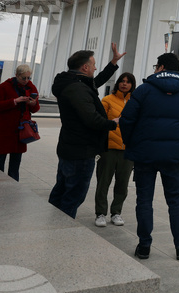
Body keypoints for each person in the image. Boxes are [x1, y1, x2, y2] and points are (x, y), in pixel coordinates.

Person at [120, 52, 179, 261]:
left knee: (144, 200)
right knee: (176, 200)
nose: (155, 69)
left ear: (162, 67)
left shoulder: (144, 90)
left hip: (144, 155)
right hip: (173, 157)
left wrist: (131, 143)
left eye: (156, 66)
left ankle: (144, 246)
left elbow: (126, 119)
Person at [48, 43, 125, 219]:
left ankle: (53, 224)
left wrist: (113, 62)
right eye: (93, 65)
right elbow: (91, 119)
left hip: (70, 146)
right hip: (80, 151)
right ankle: (61, 228)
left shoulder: (74, 83)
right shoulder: (77, 88)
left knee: (62, 189)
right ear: (85, 67)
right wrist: (112, 123)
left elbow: (96, 82)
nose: (95, 68)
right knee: (73, 195)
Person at [95, 72, 137, 228]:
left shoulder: (136, 103)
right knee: (103, 183)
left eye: (128, 82)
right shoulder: (107, 100)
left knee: (122, 184)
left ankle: (116, 212)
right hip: (109, 149)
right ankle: (100, 213)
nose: (124, 84)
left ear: (132, 85)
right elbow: (100, 122)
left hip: (128, 150)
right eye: (122, 81)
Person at [0, 64, 40, 181]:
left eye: (28, 78)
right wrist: (15, 101)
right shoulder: (4, 87)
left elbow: (35, 109)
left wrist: (33, 104)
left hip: (20, 130)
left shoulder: (31, 87)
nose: (26, 81)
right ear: (16, 75)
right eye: (23, 78)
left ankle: (13, 186)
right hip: (4, 129)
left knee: (15, 165)